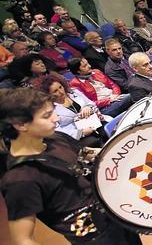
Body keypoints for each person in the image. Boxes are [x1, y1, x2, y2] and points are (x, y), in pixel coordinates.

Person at [0, 88, 141, 244]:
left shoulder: (56, 138)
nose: (56, 119)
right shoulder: (20, 180)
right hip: (95, 238)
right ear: (20, 125)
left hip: (114, 217)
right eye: (46, 116)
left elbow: (86, 153)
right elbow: (23, 239)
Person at [36, 74, 110, 146]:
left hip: (94, 123)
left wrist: (87, 107)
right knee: (95, 141)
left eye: (60, 87)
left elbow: (91, 103)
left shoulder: (74, 92)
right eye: (55, 91)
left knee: (108, 130)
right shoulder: (50, 110)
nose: (61, 92)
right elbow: (59, 131)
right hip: (77, 135)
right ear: (49, 95)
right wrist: (81, 133)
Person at [68, 57, 132, 117]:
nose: (89, 66)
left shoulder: (96, 71)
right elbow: (89, 103)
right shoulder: (75, 84)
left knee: (132, 94)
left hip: (116, 97)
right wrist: (109, 100)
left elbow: (113, 85)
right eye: (85, 66)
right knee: (131, 96)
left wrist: (115, 94)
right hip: (104, 107)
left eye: (88, 63)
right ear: (78, 71)